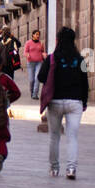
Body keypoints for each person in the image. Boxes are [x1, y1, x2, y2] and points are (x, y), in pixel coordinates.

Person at [38, 27, 89, 179]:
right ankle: (71, 169)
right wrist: (84, 102)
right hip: (75, 103)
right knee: (72, 136)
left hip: (55, 101)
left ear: (58, 40)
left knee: (54, 136)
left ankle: (54, 169)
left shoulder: (52, 58)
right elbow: (85, 82)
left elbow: (41, 77)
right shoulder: (81, 60)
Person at [24, 29, 46, 100]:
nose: (38, 36)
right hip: (30, 63)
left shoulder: (41, 43)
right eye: (36, 34)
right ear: (33, 35)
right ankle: (32, 91)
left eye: (38, 34)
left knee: (37, 78)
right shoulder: (28, 43)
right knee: (31, 79)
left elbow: (42, 51)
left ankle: (35, 94)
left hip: (39, 62)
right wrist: (27, 55)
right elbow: (25, 52)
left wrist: (44, 54)